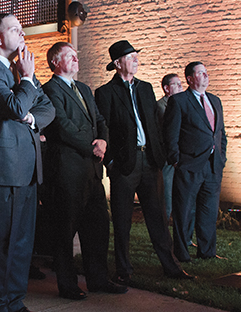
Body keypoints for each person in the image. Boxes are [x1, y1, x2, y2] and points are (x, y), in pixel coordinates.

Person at [0, 13, 55, 312]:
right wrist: (28, 80)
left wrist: (30, 116)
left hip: (26, 170)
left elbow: (47, 108)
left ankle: (14, 301)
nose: (22, 34)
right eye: (15, 29)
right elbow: (14, 105)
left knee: (20, 244)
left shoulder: (20, 72)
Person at [95, 40, 194, 285]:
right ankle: (123, 269)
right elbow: (102, 127)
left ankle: (171, 266)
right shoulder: (105, 93)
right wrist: (111, 161)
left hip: (150, 161)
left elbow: (154, 124)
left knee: (158, 217)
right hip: (124, 165)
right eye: (131, 57)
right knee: (122, 219)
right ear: (118, 64)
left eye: (136, 56)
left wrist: (159, 155)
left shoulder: (146, 88)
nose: (136, 60)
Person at [41, 42, 127, 300]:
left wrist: (103, 141)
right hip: (67, 172)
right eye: (71, 56)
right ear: (56, 62)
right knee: (65, 231)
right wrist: (92, 147)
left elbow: (100, 120)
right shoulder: (49, 90)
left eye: (76, 55)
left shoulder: (84, 89)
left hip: (92, 172)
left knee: (98, 227)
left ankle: (98, 279)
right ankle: (67, 285)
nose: (77, 59)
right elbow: (61, 126)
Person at [164, 61, 227, 262]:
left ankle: (207, 252)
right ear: (190, 79)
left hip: (213, 166)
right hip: (189, 165)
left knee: (208, 211)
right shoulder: (180, 101)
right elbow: (170, 134)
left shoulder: (215, 101)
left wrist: (222, 157)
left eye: (206, 72)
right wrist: (176, 160)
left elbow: (220, 134)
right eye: (201, 73)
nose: (206, 75)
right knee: (183, 211)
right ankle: (182, 253)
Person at [157, 74, 184, 220]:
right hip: (168, 158)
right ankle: (165, 233)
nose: (181, 87)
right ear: (167, 88)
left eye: (181, 84)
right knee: (167, 196)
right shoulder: (160, 107)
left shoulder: (182, 104)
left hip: (182, 157)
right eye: (177, 84)